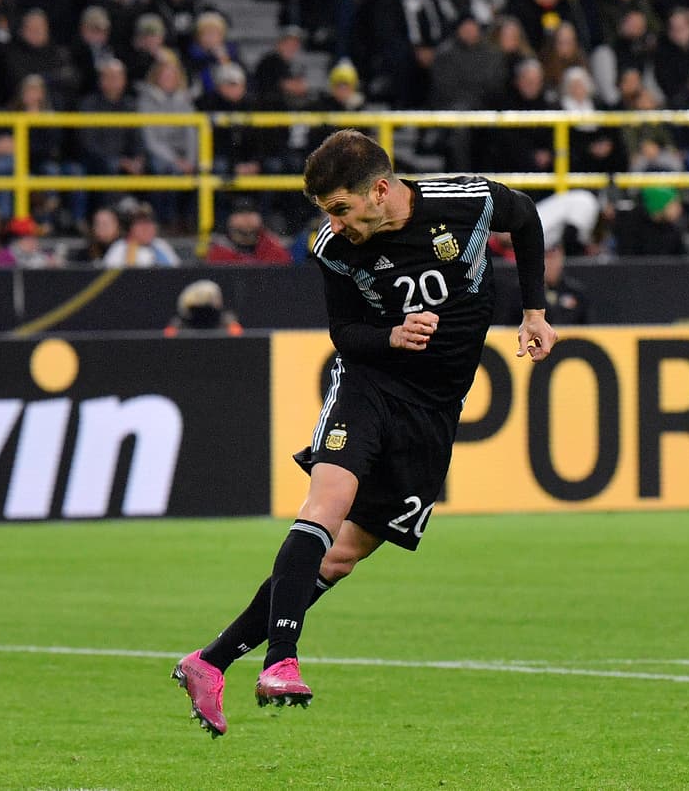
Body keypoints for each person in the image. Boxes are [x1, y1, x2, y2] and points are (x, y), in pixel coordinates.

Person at [172, 129, 557, 736]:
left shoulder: (466, 201)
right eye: (327, 211)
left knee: (344, 556)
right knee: (325, 506)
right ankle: (280, 662)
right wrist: (391, 338)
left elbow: (526, 216)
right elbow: (344, 332)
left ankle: (209, 662)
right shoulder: (334, 248)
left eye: (342, 208)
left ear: (380, 191)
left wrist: (535, 310)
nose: (335, 223)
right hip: (370, 388)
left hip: (434, 412)